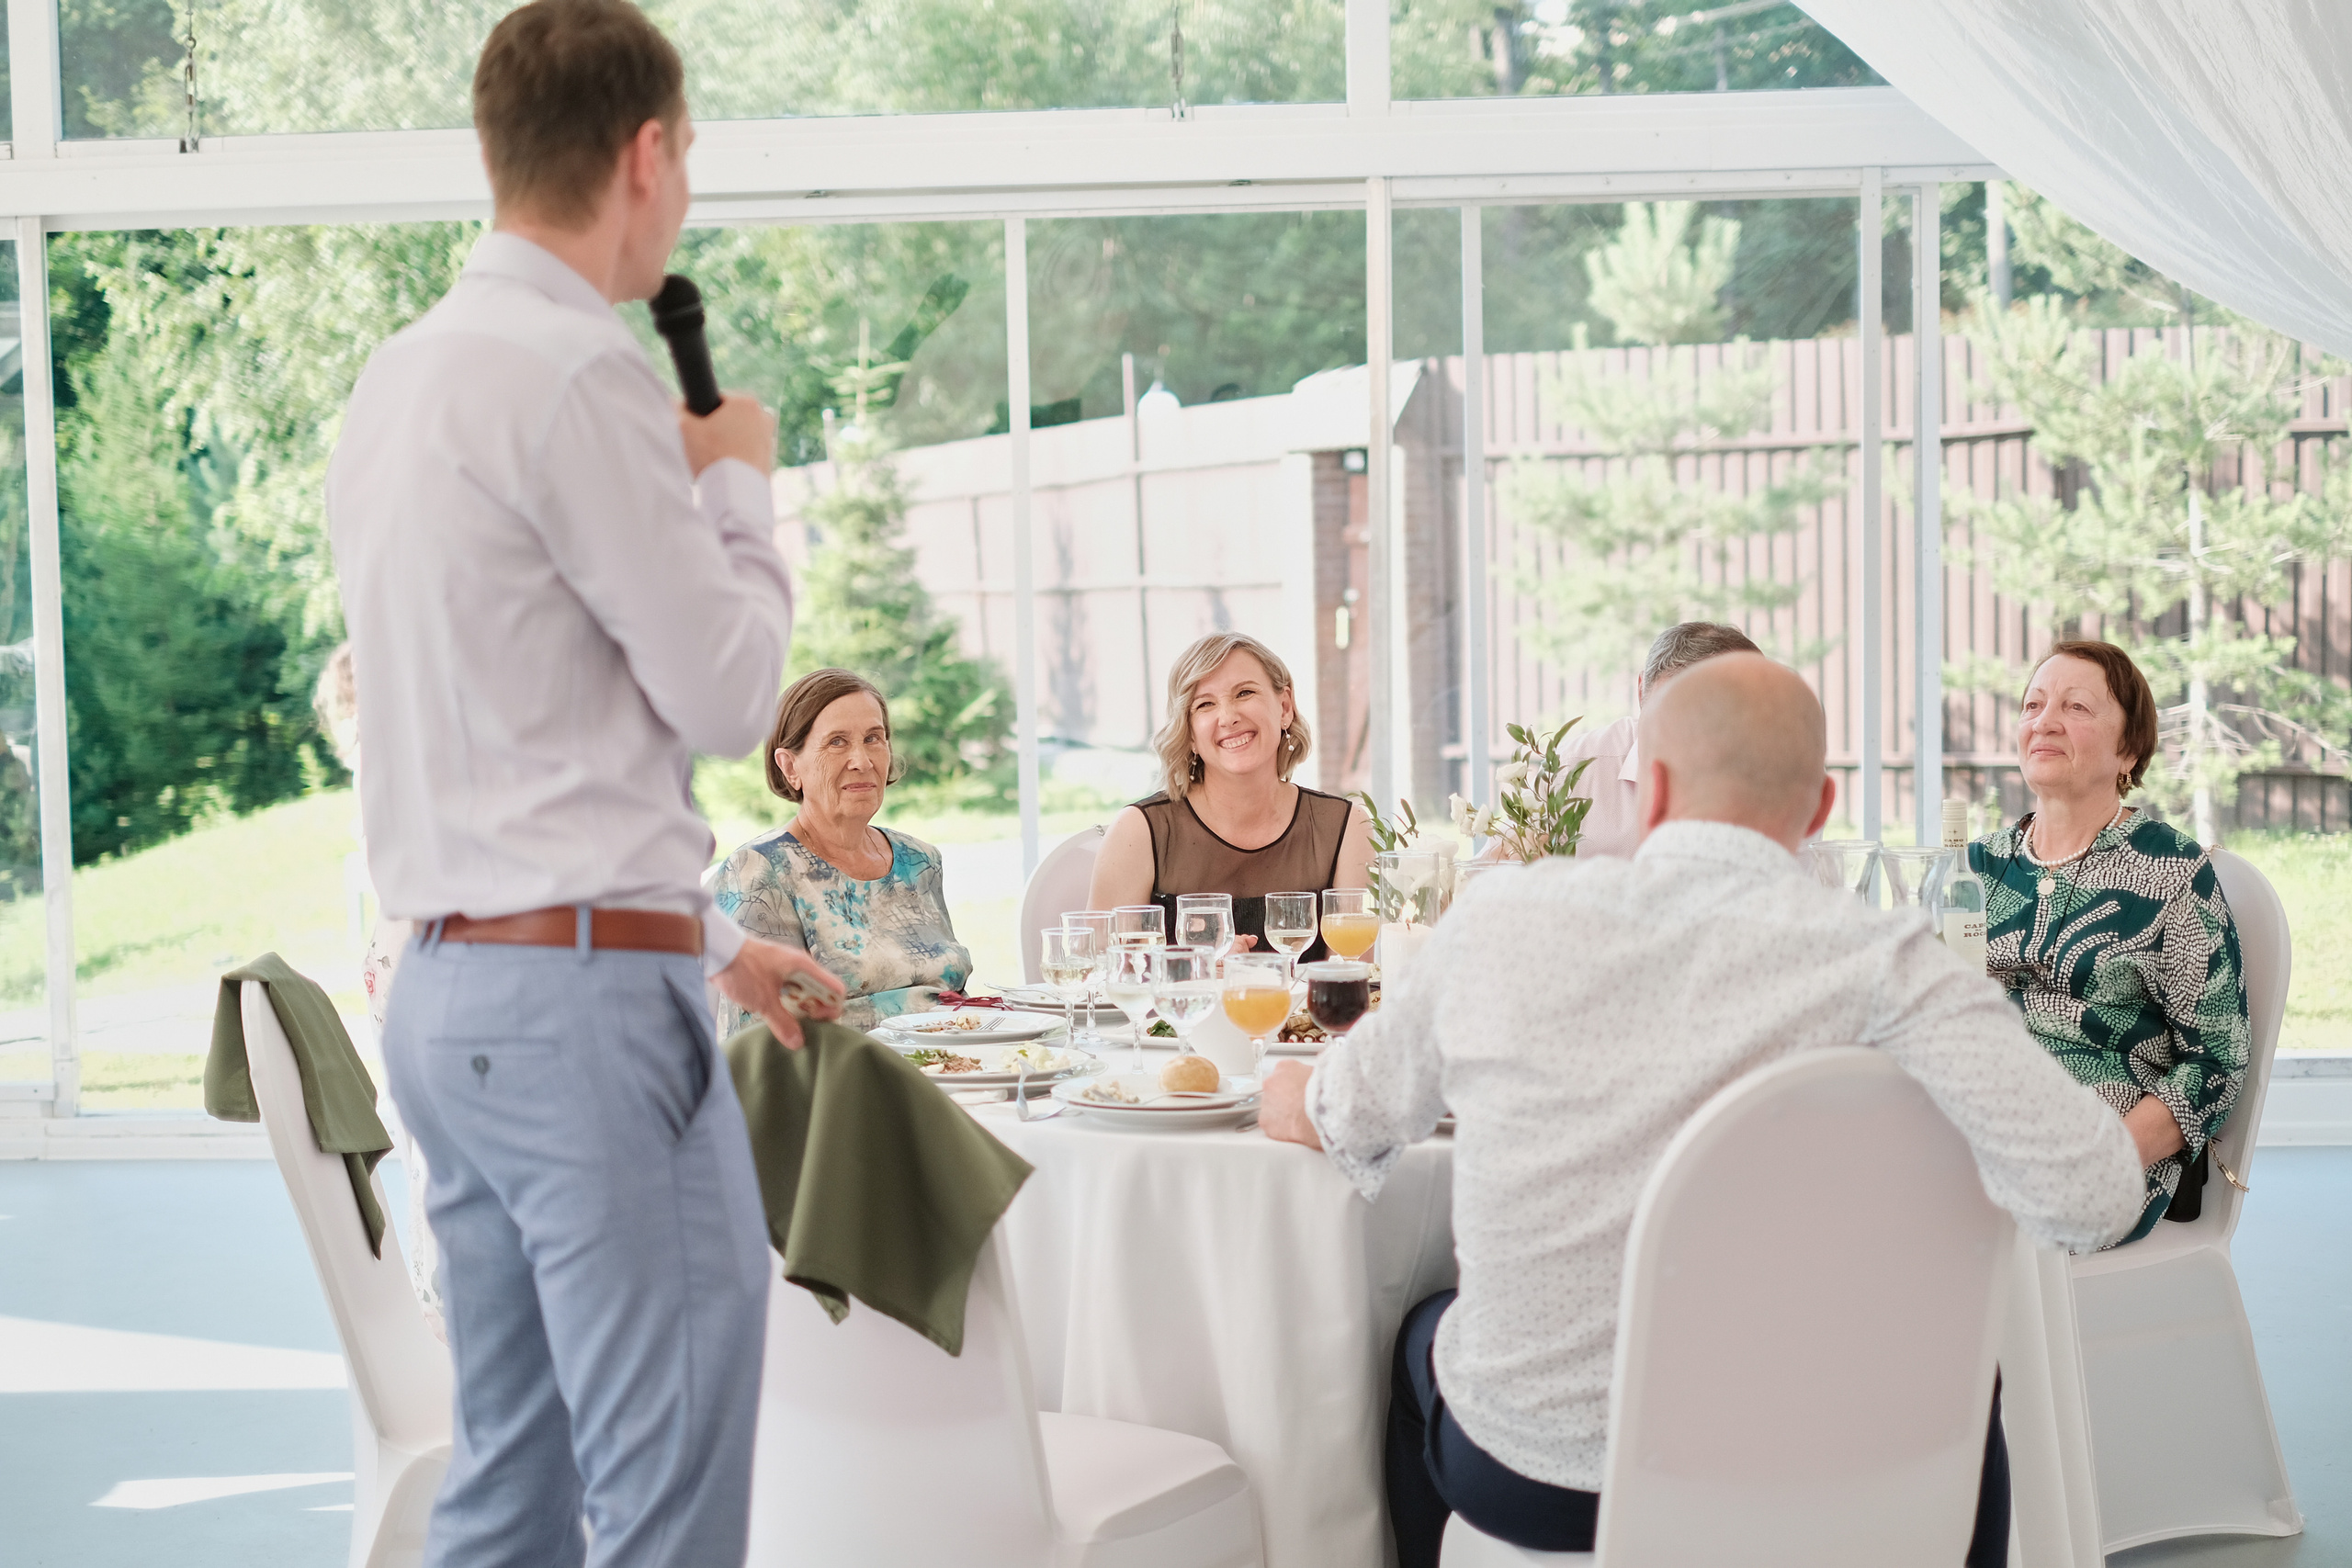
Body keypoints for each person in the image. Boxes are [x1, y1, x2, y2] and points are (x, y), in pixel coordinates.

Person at [323, 5, 845, 1565]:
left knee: (511, 1491)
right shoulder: (580, 376)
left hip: (449, 1002)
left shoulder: (395, 384)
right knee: (666, 1502)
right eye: (683, 162)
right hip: (580, 1022)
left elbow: (523, 741)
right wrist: (737, 477)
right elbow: (733, 690)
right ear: (644, 154)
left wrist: (707, 940)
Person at [1258, 653, 2144, 1567]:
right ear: (1819, 811)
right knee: (1970, 1380)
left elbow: (1343, 1116)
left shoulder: (1497, 922)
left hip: (1547, 1486)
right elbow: (2095, 1194)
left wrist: (1285, 1091)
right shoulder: (1887, 961)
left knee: (1418, 1337)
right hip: (1825, 1456)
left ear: (1653, 788)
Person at [1969, 639, 2250, 1246]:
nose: (2044, 721)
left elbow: (2216, 1063)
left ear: (2128, 748)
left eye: (2076, 706)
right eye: (2033, 704)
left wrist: (2110, 1154)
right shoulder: (1975, 866)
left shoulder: (2170, 870)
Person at [711, 668, 972, 1034]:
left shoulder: (920, 861)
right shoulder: (759, 871)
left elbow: (954, 991)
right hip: (840, 1082)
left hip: (956, 1064)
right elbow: (760, 1037)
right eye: (837, 742)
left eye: (873, 738)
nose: (862, 761)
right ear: (790, 766)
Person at [1089, 631, 1374, 957]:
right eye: (1205, 704)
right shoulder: (1139, 830)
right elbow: (1099, 974)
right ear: (1189, 732)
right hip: (1178, 1011)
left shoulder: (1347, 827)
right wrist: (1198, 972)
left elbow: (1357, 984)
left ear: (1284, 707)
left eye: (1245, 693)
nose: (1228, 717)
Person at [314, 643, 442, 1338]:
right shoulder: (399, 767)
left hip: (410, 958)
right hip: (421, 961)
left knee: (434, 1165)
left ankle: (449, 1316)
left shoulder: (389, 764)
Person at [1544, 619, 1761, 859]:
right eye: (1673, 714)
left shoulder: (1786, 773)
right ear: (1641, 692)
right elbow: (1503, 862)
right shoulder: (1570, 769)